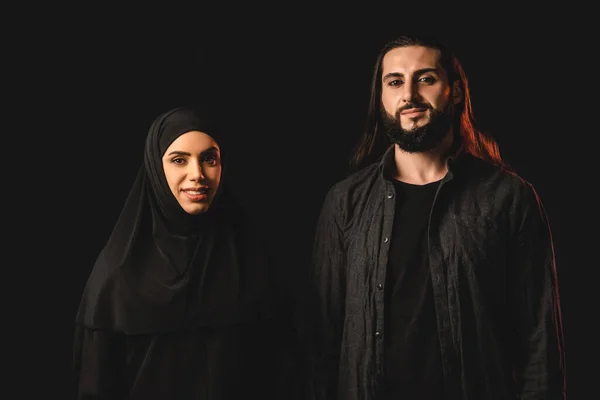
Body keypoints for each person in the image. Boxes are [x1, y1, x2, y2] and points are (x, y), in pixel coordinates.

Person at [307, 34, 566, 400]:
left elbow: (539, 343)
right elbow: (322, 344)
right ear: (381, 98)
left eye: (425, 78)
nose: (409, 95)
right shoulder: (344, 203)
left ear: (455, 92)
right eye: (395, 82)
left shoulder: (509, 198)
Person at [73, 106, 297, 399]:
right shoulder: (118, 272)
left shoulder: (251, 261)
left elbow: (280, 372)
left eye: (209, 159)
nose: (197, 174)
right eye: (179, 160)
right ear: (156, 167)